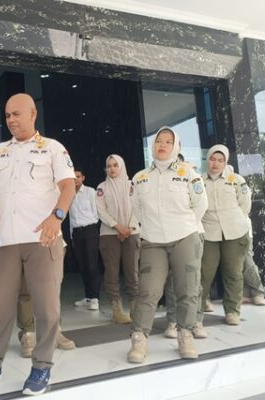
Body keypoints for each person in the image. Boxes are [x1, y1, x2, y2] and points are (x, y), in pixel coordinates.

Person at [0, 93, 76, 396]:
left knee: (47, 309)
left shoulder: (52, 147)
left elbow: (68, 186)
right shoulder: (0, 152)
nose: (11, 120)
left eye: (16, 114)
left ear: (32, 114)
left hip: (43, 239)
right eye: (7, 115)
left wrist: (57, 216)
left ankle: (42, 367)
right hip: (6, 242)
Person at [127, 126, 207, 363]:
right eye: (158, 141)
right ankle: (139, 339)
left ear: (175, 146)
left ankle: (185, 335)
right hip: (153, 241)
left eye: (167, 142)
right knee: (148, 291)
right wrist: (149, 228)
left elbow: (200, 205)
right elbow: (136, 208)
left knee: (188, 289)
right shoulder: (140, 177)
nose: (162, 145)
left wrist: (186, 226)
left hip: (185, 237)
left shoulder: (188, 173)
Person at [199, 145, 251, 326]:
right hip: (208, 232)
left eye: (220, 160)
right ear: (208, 160)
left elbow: (245, 205)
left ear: (225, 162)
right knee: (204, 273)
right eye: (213, 159)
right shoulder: (198, 180)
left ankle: (232, 311)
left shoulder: (236, 180)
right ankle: (196, 311)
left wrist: (235, 220)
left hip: (234, 231)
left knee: (234, 273)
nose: (216, 163)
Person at [96, 155, 140, 323]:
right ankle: (117, 311)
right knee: (111, 273)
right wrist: (117, 227)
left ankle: (135, 310)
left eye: (115, 165)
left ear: (121, 166)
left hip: (132, 232)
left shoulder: (132, 185)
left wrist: (130, 227)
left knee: (132, 272)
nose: (112, 169)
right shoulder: (102, 187)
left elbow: (139, 207)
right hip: (109, 234)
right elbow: (101, 211)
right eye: (109, 166)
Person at [70, 168, 101, 311]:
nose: (75, 179)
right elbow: (71, 217)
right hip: (76, 232)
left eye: (78, 176)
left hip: (89, 230)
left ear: (83, 178)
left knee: (92, 264)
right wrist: (72, 235)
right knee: (82, 266)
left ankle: (95, 298)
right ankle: (88, 297)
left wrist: (91, 227)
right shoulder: (68, 193)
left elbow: (96, 212)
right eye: (73, 177)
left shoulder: (90, 191)